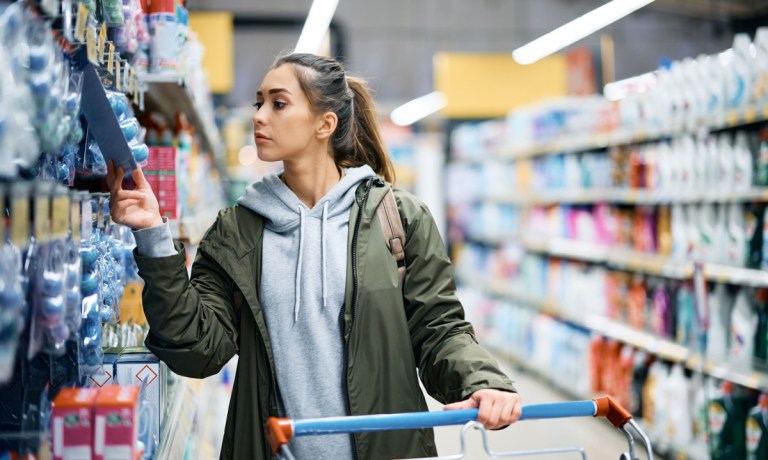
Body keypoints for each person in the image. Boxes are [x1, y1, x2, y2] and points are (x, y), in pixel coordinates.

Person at [106, 52, 521, 460]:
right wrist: (153, 237)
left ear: (325, 124)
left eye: (278, 103)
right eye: (259, 102)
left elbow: (439, 327)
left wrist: (480, 381)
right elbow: (197, 350)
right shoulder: (237, 231)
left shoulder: (399, 219)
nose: (258, 116)